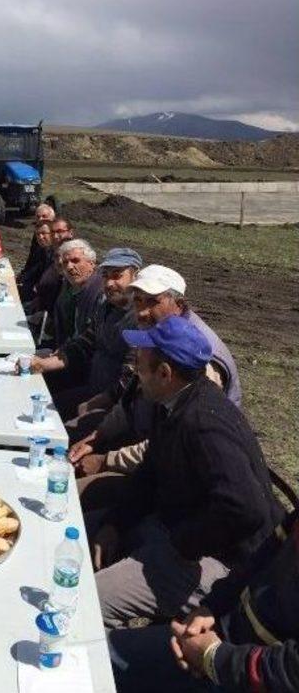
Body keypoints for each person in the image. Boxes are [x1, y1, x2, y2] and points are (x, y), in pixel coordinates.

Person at [91, 316, 282, 630]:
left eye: (139, 365)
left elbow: (246, 508)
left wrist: (179, 545)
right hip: (176, 526)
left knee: (92, 600)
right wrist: (115, 522)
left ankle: (124, 664)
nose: (135, 373)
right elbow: (150, 471)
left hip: (222, 560)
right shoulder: (174, 403)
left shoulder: (203, 423)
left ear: (164, 373)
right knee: (89, 530)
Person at [69, 264, 243, 497]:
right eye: (139, 301)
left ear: (179, 305)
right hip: (142, 437)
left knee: (74, 493)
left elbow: (174, 439)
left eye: (153, 302)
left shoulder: (198, 357)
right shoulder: (156, 334)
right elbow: (132, 397)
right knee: (69, 436)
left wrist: (106, 459)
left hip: (176, 473)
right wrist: (98, 436)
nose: (141, 312)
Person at [108, 507, 299, 692]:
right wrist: (212, 607)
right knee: (95, 657)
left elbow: (290, 674)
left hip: (247, 673)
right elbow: (260, 558)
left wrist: (213, 657)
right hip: (221, 639)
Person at [31, 248, 141, 418]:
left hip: (116, 406)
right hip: (91, 387)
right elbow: (86, 343)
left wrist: (94, 404)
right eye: (105, 276)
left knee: (51, 415)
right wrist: (45, 364)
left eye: (117, 275)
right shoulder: (106, 306)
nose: (109, 283)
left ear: (135, 276)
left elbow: (131, 378)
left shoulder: (140, 319)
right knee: (38, 398)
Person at [52, 239, 102, 346]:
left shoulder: (99, 292)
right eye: (65, 263)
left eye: (75, 261)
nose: (69, 267)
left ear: (91, 263)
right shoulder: (69, 286)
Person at [31, 216, 75, 313]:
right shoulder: (50, 253)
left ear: (71, 233)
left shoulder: (74, 259)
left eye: (59, 231)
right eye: (53, 232)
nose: (55, 236)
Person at [19, 219, 55, 305]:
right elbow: (34, 269)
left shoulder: (56, 255)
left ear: (53, 234)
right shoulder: (42, 250)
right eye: (38, 234)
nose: (40, 237)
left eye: (44, 233)